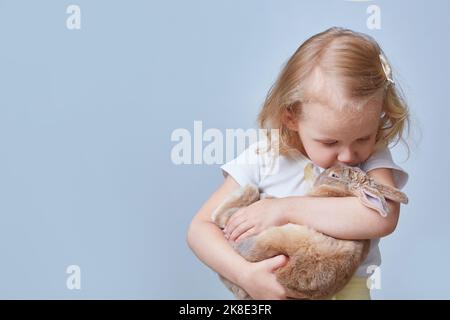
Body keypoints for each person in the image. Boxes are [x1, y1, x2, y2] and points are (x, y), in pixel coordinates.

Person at [187, 27, 410, 300]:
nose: (348, 156)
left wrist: (285, 209)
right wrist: (244, 275)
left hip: (348, 291)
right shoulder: (265, 157)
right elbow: (199, 229)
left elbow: (381, 216)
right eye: (329, 143)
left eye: (363, 137)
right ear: (291, 117)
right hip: (274, 290)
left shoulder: (372, 158)